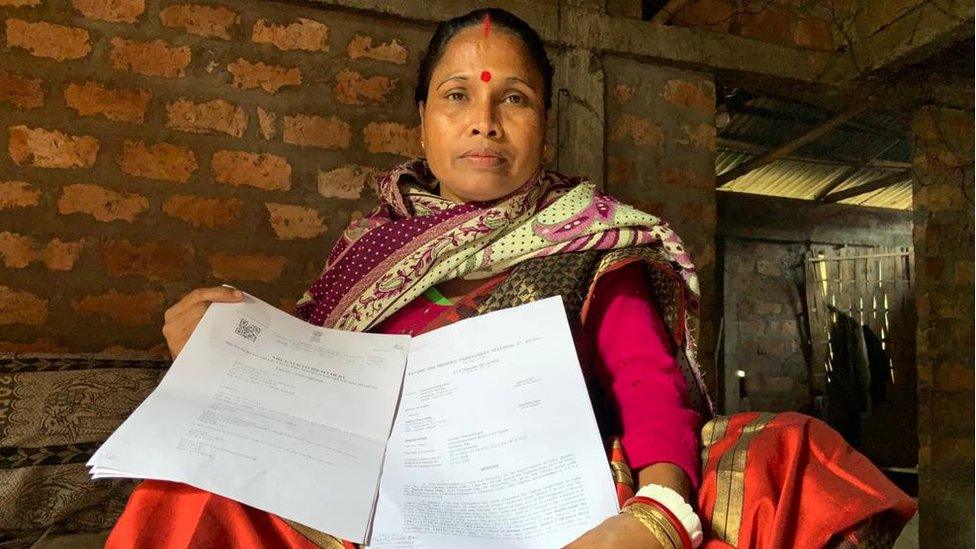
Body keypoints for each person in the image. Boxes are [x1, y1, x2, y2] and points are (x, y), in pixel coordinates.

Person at [108, 8, 915, 549]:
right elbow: (316, 371)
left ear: (546, 125)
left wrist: (659, 507)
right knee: (182, 497)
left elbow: (646, 380)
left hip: (547, 498)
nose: (484, 119)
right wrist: (229, 332)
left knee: (796, 454)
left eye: (514, 99)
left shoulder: (596, 239)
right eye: (456, 95)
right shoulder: (368, 252)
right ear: (422, 119)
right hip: (380, 505)